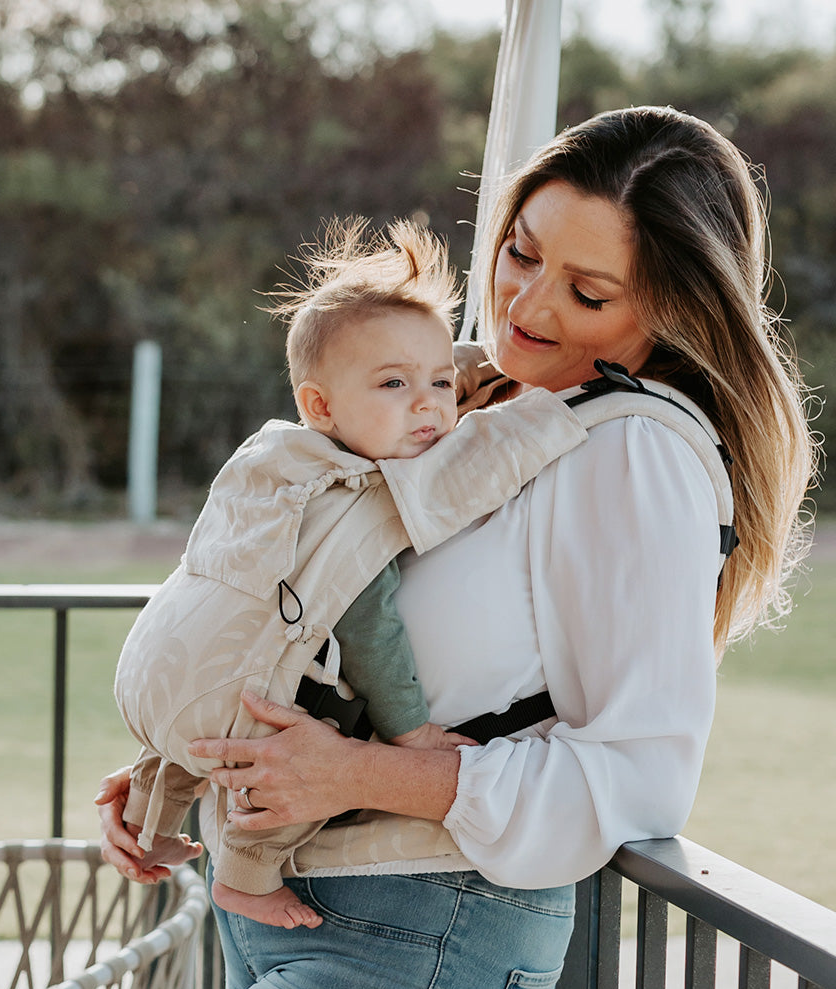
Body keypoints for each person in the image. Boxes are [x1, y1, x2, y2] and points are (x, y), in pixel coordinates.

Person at [97, 106, 816, 989]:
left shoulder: (632, 454)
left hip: (420, 943)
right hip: (293, 909)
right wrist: (193, 752)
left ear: (666, 310)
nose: (530, 302)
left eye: (589, 291)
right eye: (521, 253)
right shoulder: (470, 397)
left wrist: (352, 775)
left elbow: (639, 776)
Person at [114, 217, 589, 931]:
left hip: (160, 676)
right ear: (321, 405)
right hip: (237, 707)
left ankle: (152, 828)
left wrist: (456, 374)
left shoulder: (273, 461)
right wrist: (410, 735)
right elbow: (372, 634)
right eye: (395, 383)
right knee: (292, 736)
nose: (430, 404)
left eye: (439, 382)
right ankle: (245, 878)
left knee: (201, 735)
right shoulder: (352, 504)